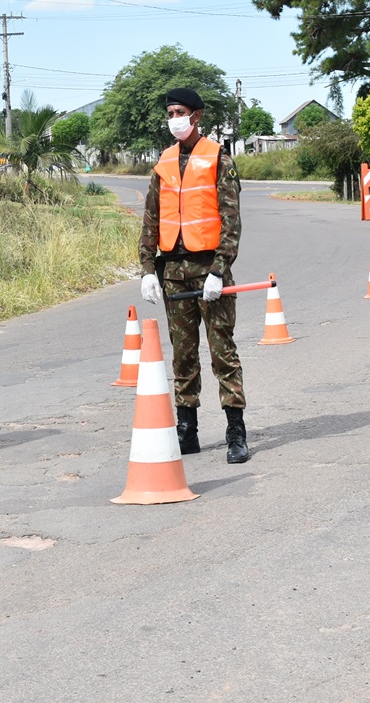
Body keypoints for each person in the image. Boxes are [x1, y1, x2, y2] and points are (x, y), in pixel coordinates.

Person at [138, 87, 249, 463]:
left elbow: (231, 222)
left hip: (210, 273)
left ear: (196, 116)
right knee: (183, 357)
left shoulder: (219, 158)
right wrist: (147, 269)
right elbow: (151, 219)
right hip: (173, 274)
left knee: (222, 353)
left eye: (180, 112)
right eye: (169, 113)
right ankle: (187, 432)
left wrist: (220, 270)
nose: (174, 119)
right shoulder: (163, 163)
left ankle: (236, 432)